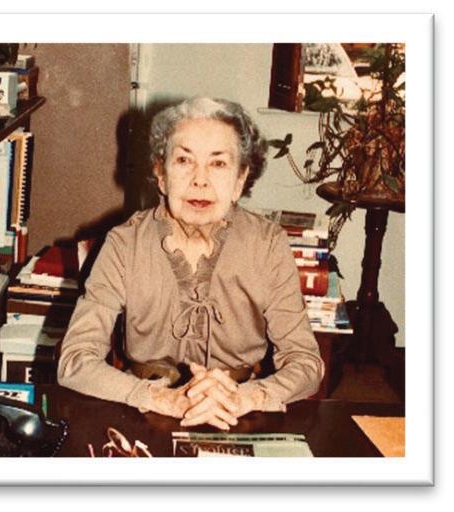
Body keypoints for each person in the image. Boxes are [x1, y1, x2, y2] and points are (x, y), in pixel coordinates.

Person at [57, 97, 324, 430]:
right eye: (184, 160)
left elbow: (306, 362)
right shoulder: (124, 244)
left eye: (218, 163)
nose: (200, 180)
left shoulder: (268, 244)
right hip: (143, 407)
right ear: (161, 174)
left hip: (237, 412)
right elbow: (74, 360)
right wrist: (160, 398)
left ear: (240, 180)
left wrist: (247, 397)